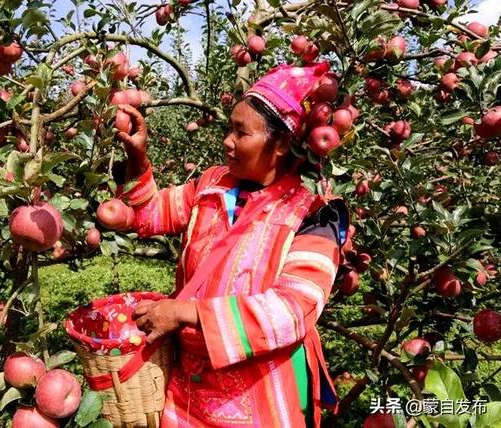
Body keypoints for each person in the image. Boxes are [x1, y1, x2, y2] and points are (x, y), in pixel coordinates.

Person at [116, 62, 348, 428]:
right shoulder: (212, 184)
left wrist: (185, 313)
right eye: (229, 128)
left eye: (242, 133)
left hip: (258, 401)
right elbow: (149, 216)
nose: (227, 141)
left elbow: (292, 310)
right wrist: (137, 157)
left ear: (282, 143)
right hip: (185, 396)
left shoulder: (313, 216)